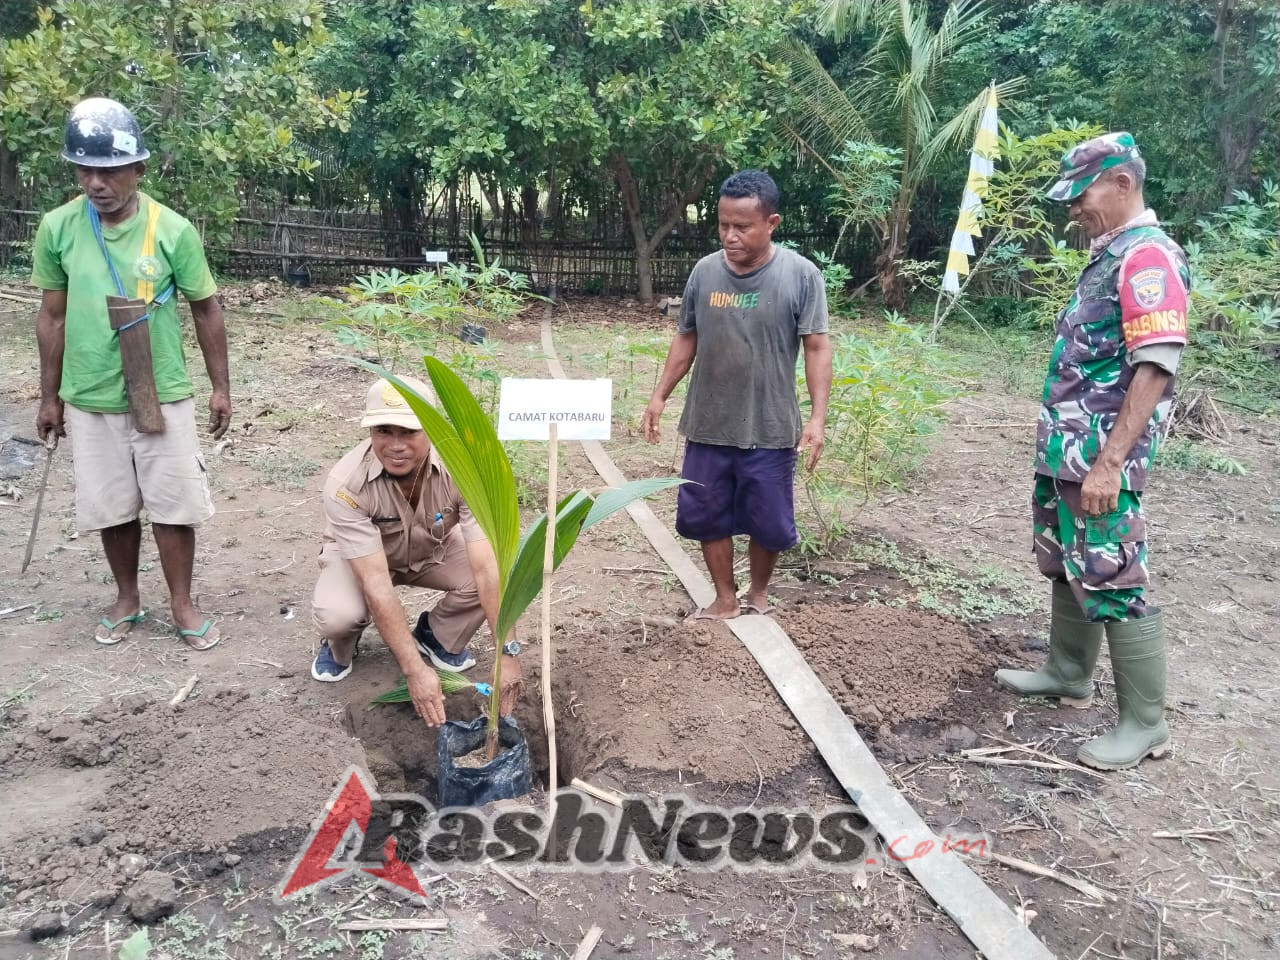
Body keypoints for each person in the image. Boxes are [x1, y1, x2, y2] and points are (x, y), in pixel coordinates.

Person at [995, 132, 1190, 770]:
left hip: (1101, 456)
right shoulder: (1112, 253)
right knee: (1066, 560)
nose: (1073, 208)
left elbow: (1156, 364)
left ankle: (1145, 724)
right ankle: (1068, 672)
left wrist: (1110, 463)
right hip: (1067, 450)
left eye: (1082, 194)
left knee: (1113, 573)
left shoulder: (1148, 258)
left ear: (1123, 184)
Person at [32, 97, 231, 651]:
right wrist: (49, 398)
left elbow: (206, 308)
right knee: (112, 504)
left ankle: (183, 604)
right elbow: (53, 314)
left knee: (172, 504)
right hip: (90, 396)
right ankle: (126, 598)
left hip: (161, 391)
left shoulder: (172, 230)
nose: (97, 183)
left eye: (110, 170)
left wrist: (220, 388)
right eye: (85, 169)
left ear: (138, 169)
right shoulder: (58, 228)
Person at [642, 170, 833, 621]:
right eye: (723, 224)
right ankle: (724, 597)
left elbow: (817, 346)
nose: (730, 236)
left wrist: (818, 418)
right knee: (708, 514)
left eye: (742, 227)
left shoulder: (801, 275)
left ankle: (759, 593)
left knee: (767, 521)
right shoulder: (705, 272)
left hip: (769, 426)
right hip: (709, 423)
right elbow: (686, 337)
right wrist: (659, 396)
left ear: (772, 223)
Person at [311, 376, 524, 728]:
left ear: (432, 429)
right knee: (339, 615)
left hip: (430, 549)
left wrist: (509, 655)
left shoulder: (464, 470)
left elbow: (488, 569)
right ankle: (338, 648)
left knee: (500, 572)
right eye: (383, 431)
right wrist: (413, 670)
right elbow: (376, 581)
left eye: (409, 432)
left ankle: (435, 636)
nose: (395, 445)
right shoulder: (346, 485)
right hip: (360, 560)